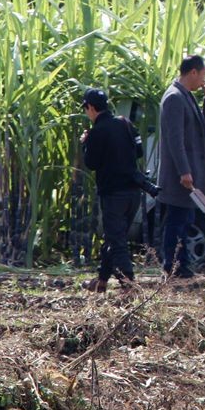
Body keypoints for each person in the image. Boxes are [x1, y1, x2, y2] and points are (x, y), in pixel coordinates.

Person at [155, 54, 205, 279]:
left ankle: (181, 265)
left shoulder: (186, 96)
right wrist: (184, 171)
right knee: (177, 221)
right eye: (202, 75)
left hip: (188, 175)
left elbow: (201, 128)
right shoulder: (174, 98)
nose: (204, 80)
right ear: (193, 72)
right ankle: (172, 266)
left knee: (185, 220)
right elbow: (175, 139)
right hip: (179, 177)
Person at [79, 88, 144, 293]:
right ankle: (102, 281)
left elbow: (91, 163)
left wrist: (85, 144)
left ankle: (129, 286)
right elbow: (139, 151)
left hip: (113, 194)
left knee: (117, 241)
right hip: (134, 192)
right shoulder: (126, 124)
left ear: (90, 107)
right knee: (114, 236)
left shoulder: (97, 131)